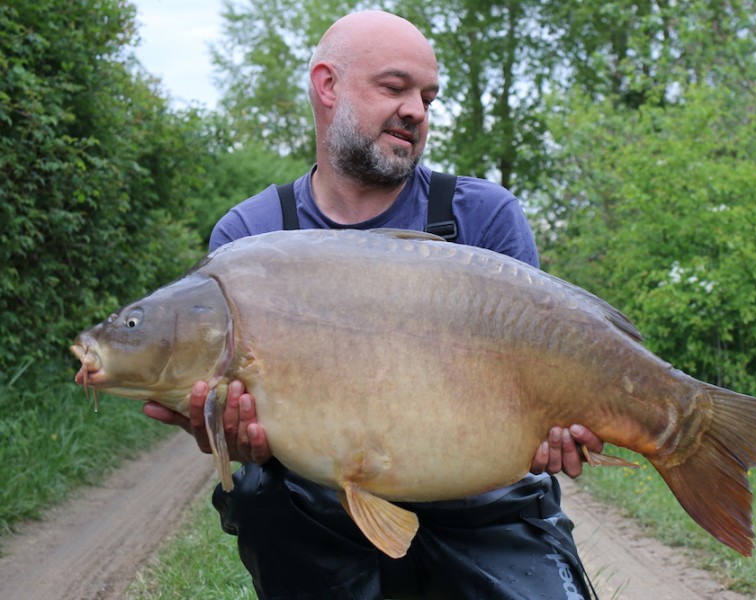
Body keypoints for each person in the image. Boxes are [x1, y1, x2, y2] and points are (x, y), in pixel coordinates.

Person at [144, 10, 604, 600]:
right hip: (321, 506)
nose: (417, 110)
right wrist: (225, 432)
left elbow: (548, 377)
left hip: (485, 505)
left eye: (427, 97)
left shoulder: (485, 216)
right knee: (258, 493)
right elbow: (240, 417)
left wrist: (560, 426)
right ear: (327, 85)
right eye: (394, 88)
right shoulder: (251, 236)